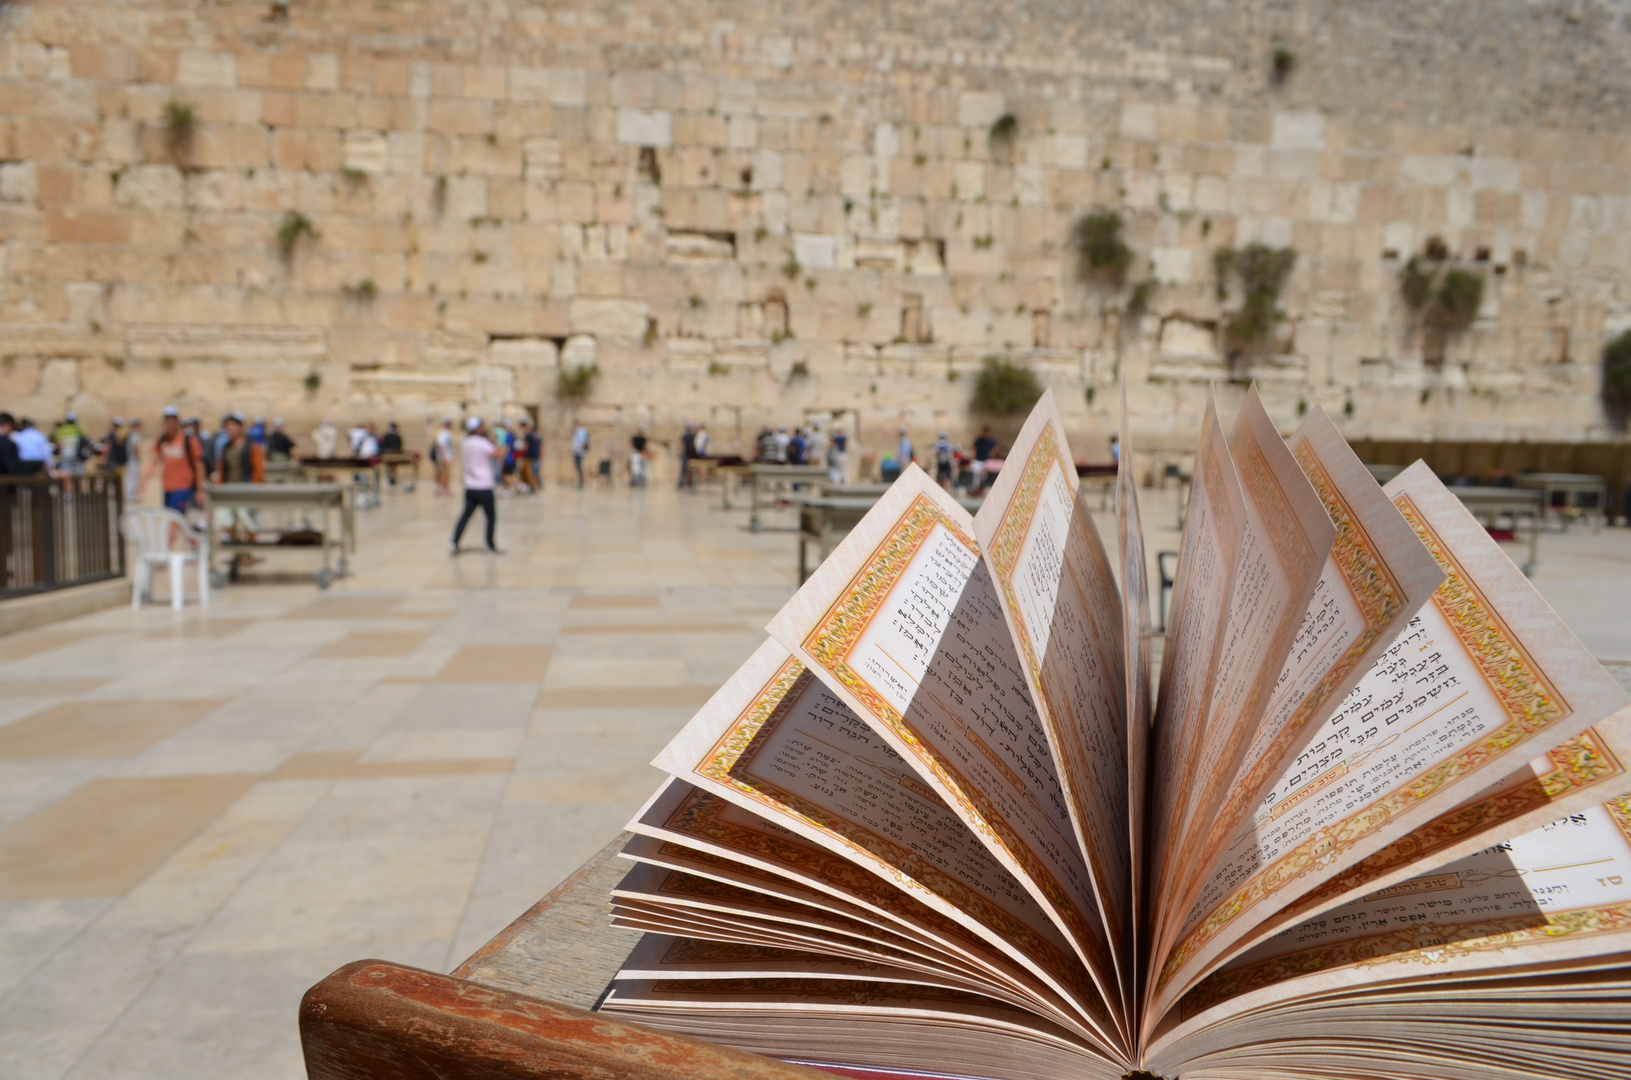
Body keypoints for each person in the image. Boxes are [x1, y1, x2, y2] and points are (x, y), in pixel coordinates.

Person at [450, 417, 503, 554]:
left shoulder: (465, 443)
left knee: (465, 515)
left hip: (470, 486)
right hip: (484, 486)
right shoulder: (482, 443)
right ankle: (490, 544)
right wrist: (495, 441)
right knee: (491, 517)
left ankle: (454, 542)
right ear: (478, 428)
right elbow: (499, 453)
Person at [142, 406, 206, 513]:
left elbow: (199, 465)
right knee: (170, 516)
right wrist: (143, 481)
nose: (170, 424)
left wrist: (200, 489)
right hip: (167, 487)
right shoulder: (161, 440)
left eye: (172, 420)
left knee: (173, 519)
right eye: (167, 421)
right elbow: (153, 462)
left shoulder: (188, 440)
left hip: (183, 487)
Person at [432, 417, 454, 496]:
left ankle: (446, 489)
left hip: (446, 457)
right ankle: (438, 489)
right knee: (444, 474)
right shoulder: (443, 433)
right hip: (443, 458)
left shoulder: (446, 433)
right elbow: (441, 446)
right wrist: (444, 458)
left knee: (446, 474)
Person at [971, 425, 997, 492]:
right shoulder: (978, 440)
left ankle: (980, 491)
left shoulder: (991, 441)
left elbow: (995, 450)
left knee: (983, 479)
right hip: (978, 461)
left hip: (986, 462)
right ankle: (975, 491)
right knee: (976, 478)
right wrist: (972, 459)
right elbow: (974, 450)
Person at [570, 418, 589, 488]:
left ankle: (581, 483)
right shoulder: (577, 431)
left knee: (579, 467)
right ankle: (579, 482)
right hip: (577, 452)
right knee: (578, 467)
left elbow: (582, 442)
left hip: (579, 453)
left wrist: (576, 451)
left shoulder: (581, 431)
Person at [677, 423, 696, 489]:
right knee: (684, 469)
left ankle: (689, 483)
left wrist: (680, 453)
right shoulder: (689, 436)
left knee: (689, 469)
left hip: (691, 454)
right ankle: (682, 483)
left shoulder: (693, 435)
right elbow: (682, 445)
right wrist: (680, 453)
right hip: (689, 454)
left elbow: (682, 445)